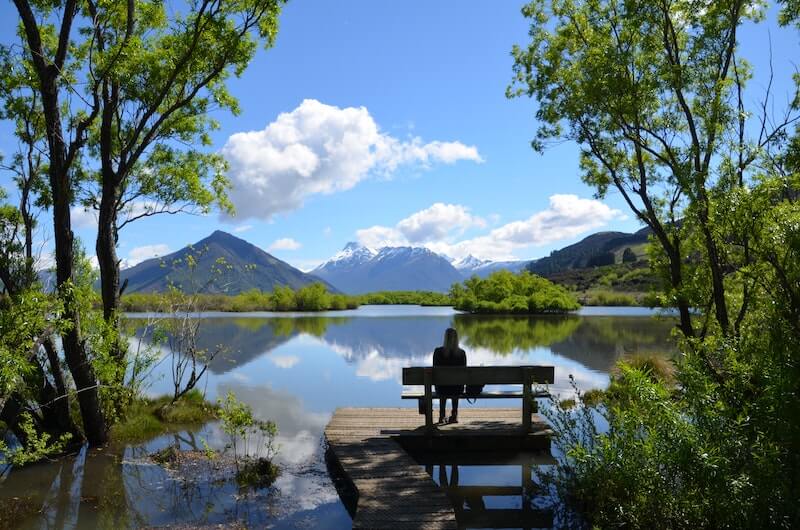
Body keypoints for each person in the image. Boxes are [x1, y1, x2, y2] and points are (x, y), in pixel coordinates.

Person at [433, 327, 467, 424]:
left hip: (441, 388)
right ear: (457, 338)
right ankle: (454, 415)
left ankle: (441, 415)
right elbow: (464, 374)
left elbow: (435, 371)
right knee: (456, 385)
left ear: (445, 338)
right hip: (457, 388)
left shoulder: (438, 352)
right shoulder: (461, 353)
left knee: (442, 385)